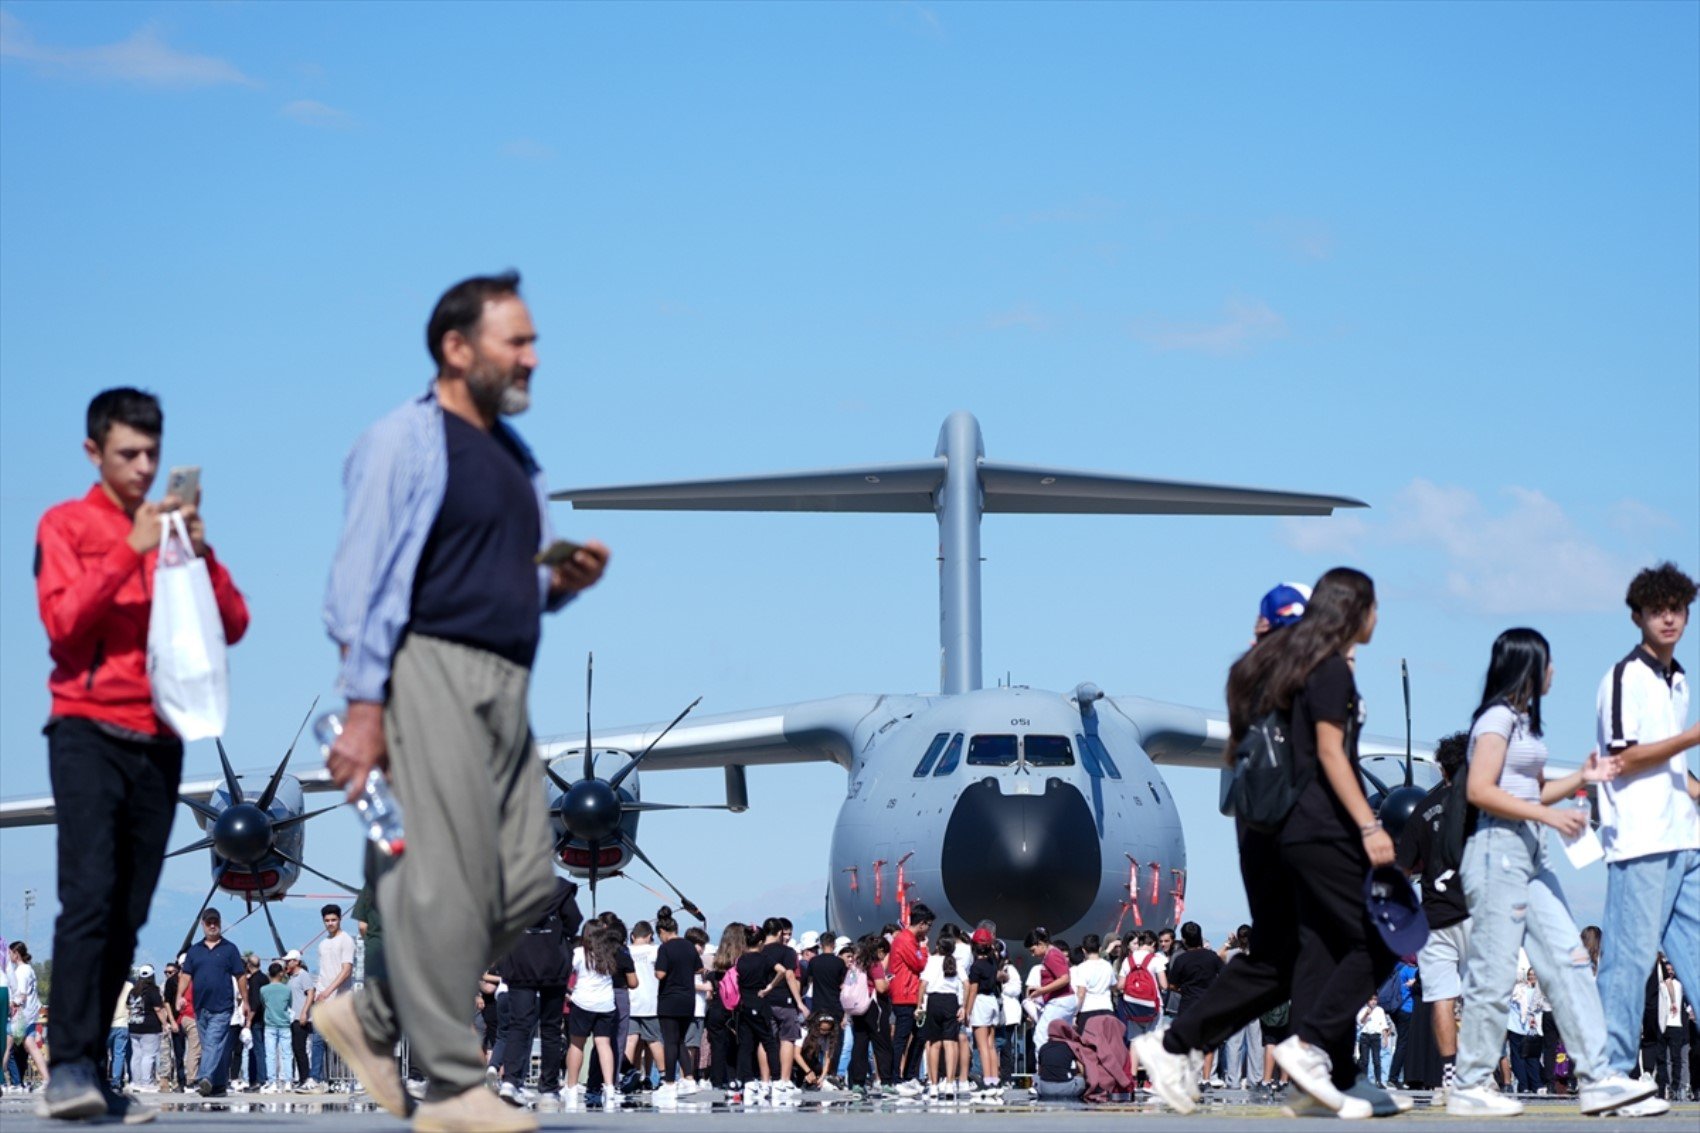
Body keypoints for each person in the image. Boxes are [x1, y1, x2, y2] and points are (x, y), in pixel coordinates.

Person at [318, 271, 609, 1133]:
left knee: (526, 879)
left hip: (506, 679)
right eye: (516, 341)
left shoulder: (518, 457)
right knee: (441, 875)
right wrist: (365, 703)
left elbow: (499, 581)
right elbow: (357, 583)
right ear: (456, 348)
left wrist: (556, 585)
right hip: (427, 665)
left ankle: (372, 1016)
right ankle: (451, 1086)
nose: (532, 357)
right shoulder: (403, 441)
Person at [35, 388, 251, 1121]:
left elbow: (234, 623)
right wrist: (127, 552)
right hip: (87, 730)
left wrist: (200, 547)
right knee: (89, 894)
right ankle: (66, 1064)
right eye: (128, 453)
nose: (143, 466)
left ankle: (93, 1071)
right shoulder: (65, 524)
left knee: (128, 910)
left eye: (152, 454)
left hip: (160, 740)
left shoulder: (172, 537)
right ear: (95, 452)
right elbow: (62, 625)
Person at [1136, 580, 1375, 1116]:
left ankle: (1184, 1045)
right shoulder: (1316, 673)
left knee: (1282, 955)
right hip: (1304, 824)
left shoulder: (1248, 674)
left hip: (1256, 828)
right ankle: (1314, 1058)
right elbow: (1332, 755)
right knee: (1348, 938)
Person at [1447, 628, 1655, 1118]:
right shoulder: (1495, 719)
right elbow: (1479, 789)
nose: (1555, 670)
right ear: (1528, 665)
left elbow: (1534, 792)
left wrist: (1582, 778)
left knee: (1570, 960)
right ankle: (1471, 1082)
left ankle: (1599, 1077)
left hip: (1530, 855)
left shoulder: (1524, 724)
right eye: (1548, 661)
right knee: (1495, 972)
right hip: (1497, 853)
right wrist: (1546, 816)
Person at [1594, 563, 1699, 1119]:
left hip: (1684, 838)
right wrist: (1692, 735)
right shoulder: (1624, 678)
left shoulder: (1676, 679)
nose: (1668, 617)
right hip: (1639, 840)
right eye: (1657, 608)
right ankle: (1609, 1075)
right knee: (1628, 959)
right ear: (1637, 615)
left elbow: (1672, 765)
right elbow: (1622, 756)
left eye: (1677, 608)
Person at [1396, 729, 1471, 1095]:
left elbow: (1402, 870)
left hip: (1435, 917)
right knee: (1481, 995)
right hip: (1476, 913)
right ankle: (1477, 1072)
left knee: (1442, 996)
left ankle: (1449, 1075)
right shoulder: (1484, 802)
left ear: (1442, 769)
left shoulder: (1422, 809)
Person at [497, 877, 577, 1107]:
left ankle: (511, 1082)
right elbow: (573, 921)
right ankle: (549, 1089)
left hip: (519, 962)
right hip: (553, 964)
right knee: (551, 1028)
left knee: (519, 1024)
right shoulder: (560, 889)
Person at [181, 909, 247, 1097]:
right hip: (200, 1007)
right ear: (203, 924)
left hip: (223, 1006)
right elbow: (186, 975)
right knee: (214, 1046)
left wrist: (246, 1001)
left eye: (215, 922)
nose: (212, 925)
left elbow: (240, 975)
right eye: (208, 922)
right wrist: (179, 996)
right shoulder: (194, 950)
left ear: (220, 923)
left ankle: (204, 1078)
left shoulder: (230, 949)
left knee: (212, 1043)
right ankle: (218, 1085)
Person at [564, 923, 624, 1110]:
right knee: (604, 1044)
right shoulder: (609, 954)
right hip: (606, 1004)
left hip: (583, 1002)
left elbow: (565, 972)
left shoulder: (580, 953)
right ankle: (610, 1087)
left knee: (576, 1044)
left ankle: (572, 1087)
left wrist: (568, 992)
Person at [651, 907, 702, 1106]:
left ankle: (670, 1082)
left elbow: (660, 974)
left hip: (669, 999)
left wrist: (659, 968)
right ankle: (689, 1079)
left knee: (670, 1041)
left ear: (662, 932)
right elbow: (699, 968)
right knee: (680, 1040)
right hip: (688, 999)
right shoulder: (689, 946)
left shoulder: (665, 948)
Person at [1165, 923, 1224, 1085]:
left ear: (1183, 939)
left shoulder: (1181, 959)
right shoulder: (1212, 956)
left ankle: (1189, 1076)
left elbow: (1172, 985)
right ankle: (1206, 1078)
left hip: (1188, 1004)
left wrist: (1182, 989)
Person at [887, 905, 932, 1092]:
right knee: (901, 1038)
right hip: (904, 995)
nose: (929, 929)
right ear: (921, 924)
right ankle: (895, 1077)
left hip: (913, 995)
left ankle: (909, 1074)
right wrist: (924, 948)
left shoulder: (909, 939)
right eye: (928, 925)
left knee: (920, 1035)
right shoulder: (905, 940)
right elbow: (919, 963)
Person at [918, 927, 965, 1100]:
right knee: (951, 1043)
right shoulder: (956, 962)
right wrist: (964, 1006)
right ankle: (950, 1084)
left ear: (938, 946)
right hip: (951, 1001)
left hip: (935, 1000)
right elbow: (966, 984)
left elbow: (923, 984)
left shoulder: (932, 961)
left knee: (934, 1044)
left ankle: (934, 1084)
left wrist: (919, 1005)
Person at [847, 935, 892, 1094]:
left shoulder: (857, 963)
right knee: (882, 1045)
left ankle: (858, 1083)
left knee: (860, 1044)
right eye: (885, 953)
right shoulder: (875, 964)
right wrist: (888, 984)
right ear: (879, 951)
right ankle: (886, 1081)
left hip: (859, 1006)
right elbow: (880, 987)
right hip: (874, 1007)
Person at [125, 967, 167, 1091]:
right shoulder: (153, 990)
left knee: (136, 1055)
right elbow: (158, 1009)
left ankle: (135, 1081)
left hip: (133, 1026)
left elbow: (128, 1006)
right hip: (150, 1026)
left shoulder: (133, 991)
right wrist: (164, 1023)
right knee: (149, 1055)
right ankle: (146, 1082)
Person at [258, 964, 293, 1093]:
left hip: (270, 1025)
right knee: (287, 1054)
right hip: (284, 1024)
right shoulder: (287, 989)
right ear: (280, 974)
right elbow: (290, 1004)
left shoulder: (263, 989)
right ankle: (288, 1081)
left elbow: (263, 1003)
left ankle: (272, 1082)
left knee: (271, 1055)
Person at [1357, 997, 1390, 1087]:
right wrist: (1366, 1014)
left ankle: (1379, 1081)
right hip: (1365, 1036)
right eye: (1371, 999)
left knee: (1377, 1060)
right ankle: (1363, 1081)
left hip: (1376, 1036)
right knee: (1364, 1060)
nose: (1373, 1002)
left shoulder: (1380, 1010)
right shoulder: (1362, 1009)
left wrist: (1385, 1038)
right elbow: (1360, 1022)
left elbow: (1383, 1024)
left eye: (1375, 1000)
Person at [107, 978, 132, 1093]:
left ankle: (101, 1079)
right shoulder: (129, 986)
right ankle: (116, 1082)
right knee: (119, 1054)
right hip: (122, 1024)